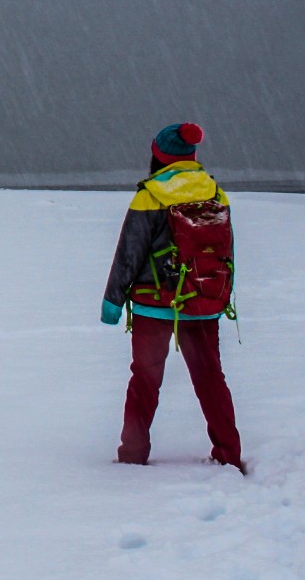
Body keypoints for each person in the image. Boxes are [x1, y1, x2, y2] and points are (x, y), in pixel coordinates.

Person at [100, 122, 245, 471]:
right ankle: (228, 452)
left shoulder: (150, 196)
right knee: (211, 379)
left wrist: (112, 303)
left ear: (158, 157)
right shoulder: (214, 193)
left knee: (145, 381)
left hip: (155, 304)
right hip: (202, 300)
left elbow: (129, 254)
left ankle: (133, 454)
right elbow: (225, 251)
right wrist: (219, 294)